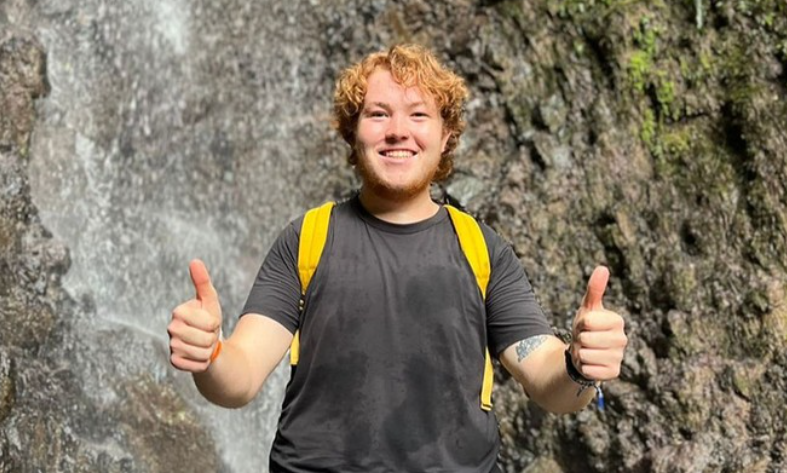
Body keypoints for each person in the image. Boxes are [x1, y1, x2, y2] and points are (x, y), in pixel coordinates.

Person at [167, 44, 628, 473]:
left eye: (418, 114)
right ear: (353, 131)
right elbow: (240, 375)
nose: (397, 130)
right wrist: (209, 355)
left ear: (446, 135)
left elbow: (549, 380)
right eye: (378, 113)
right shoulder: (307, 238)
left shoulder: (482, 249)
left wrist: (578, 365)